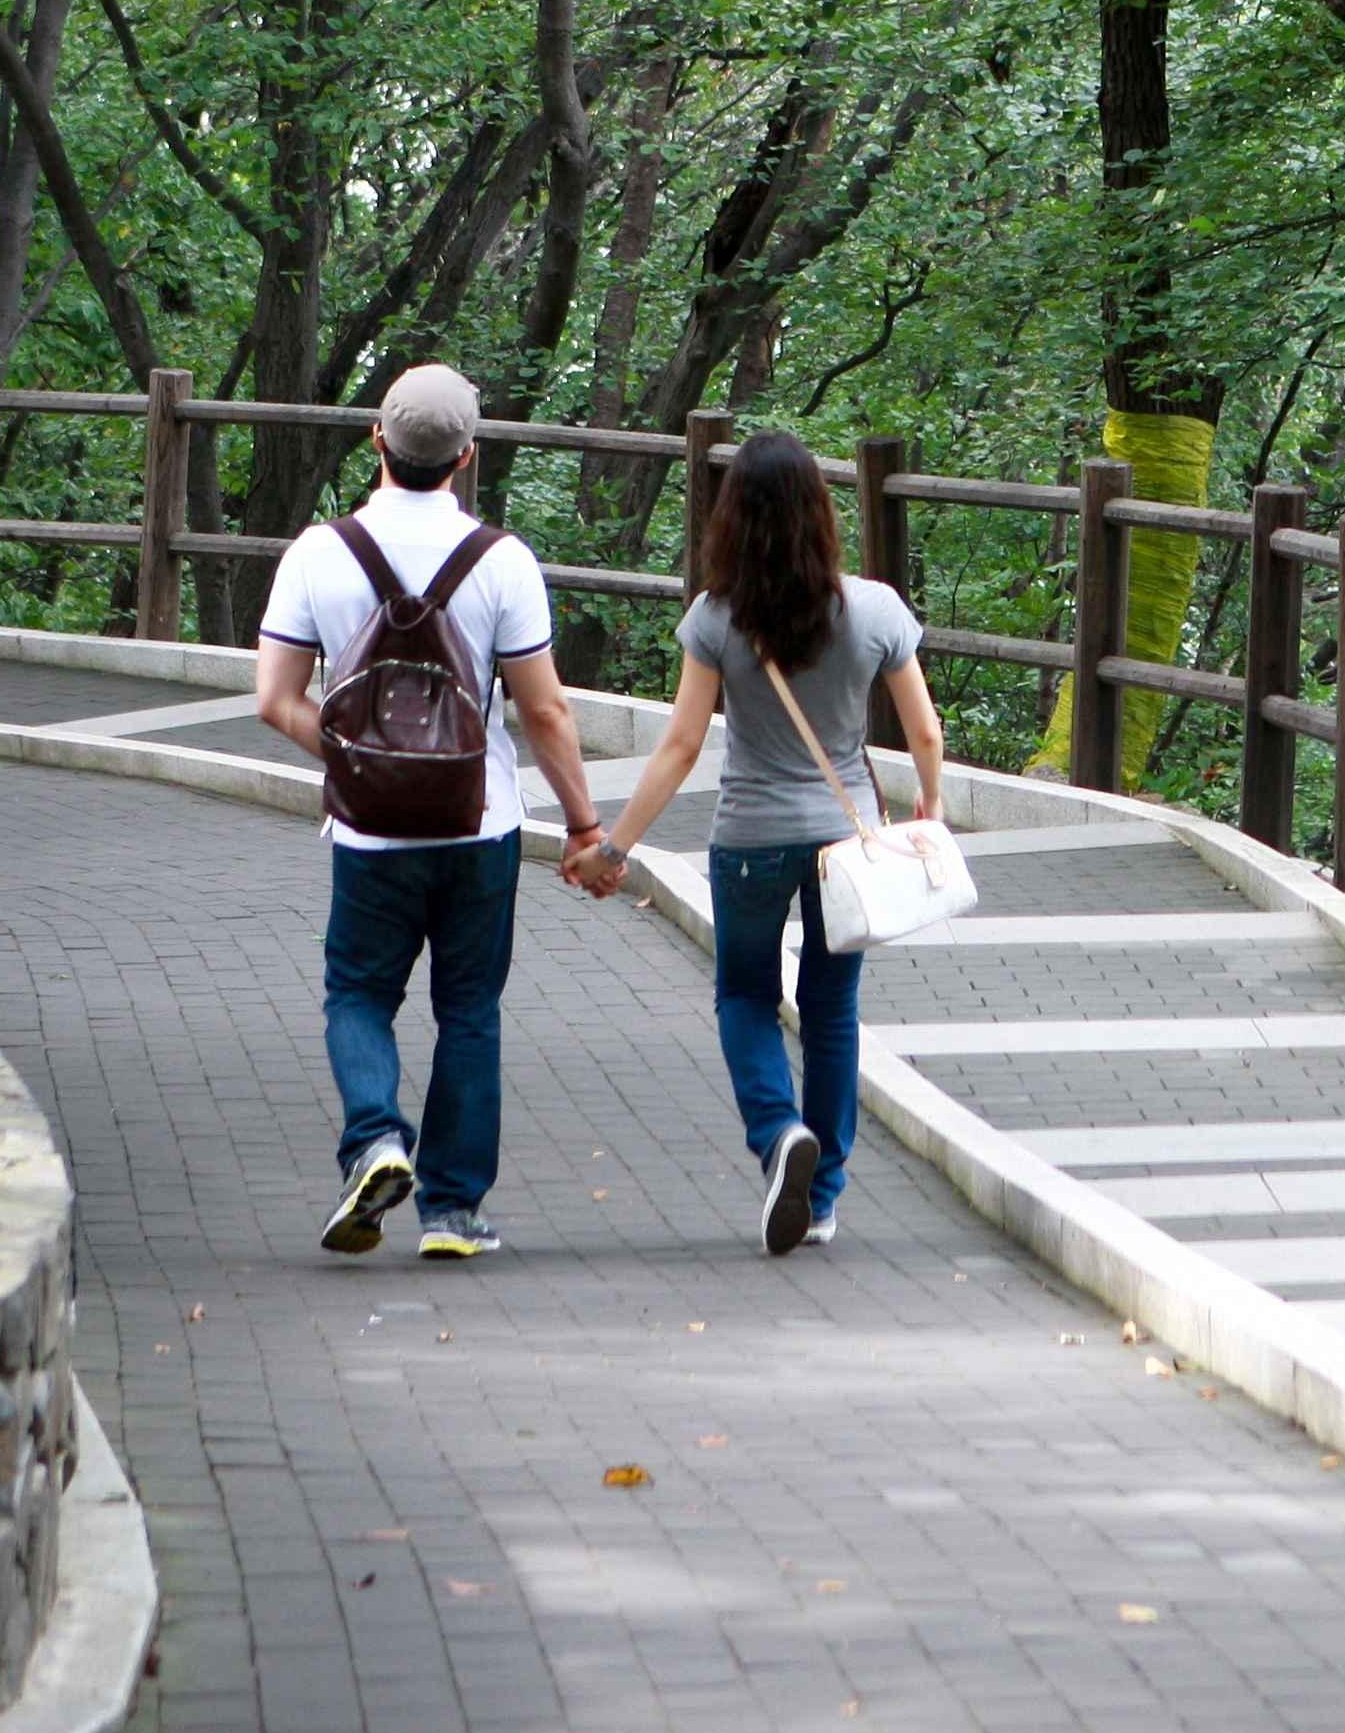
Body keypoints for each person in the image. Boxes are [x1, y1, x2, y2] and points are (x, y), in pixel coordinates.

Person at [254, 363, 601, 1263]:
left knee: (359, 992)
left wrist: (357, 764)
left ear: (378, 440)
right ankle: (451, 1212)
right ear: (466, 455)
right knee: (469, 1010)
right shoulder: (503, 560)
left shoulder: (319, 552)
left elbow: (275, 698)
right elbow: (545, 710)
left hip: (369, 834)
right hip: (477, 825)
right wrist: (585, 826)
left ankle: (374, 1137)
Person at [568, 429, 941, 1256]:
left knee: (744, 997)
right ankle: (825, 1195)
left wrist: (616, 847)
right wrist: (931, 811)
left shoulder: (716, 617)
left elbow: (681, 746)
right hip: (846, 847)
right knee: (831, 1009)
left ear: (732, 519)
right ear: (820, 511)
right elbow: (924, 731)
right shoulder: (874, 609)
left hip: (747, 841)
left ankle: (779, 1135)